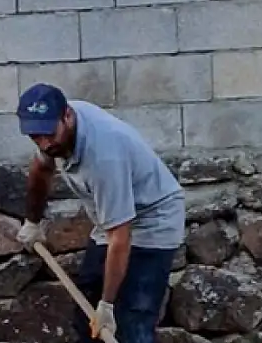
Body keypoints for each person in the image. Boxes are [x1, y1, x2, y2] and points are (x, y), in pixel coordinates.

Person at [13, 83, 184, 343]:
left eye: (48, 134)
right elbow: (40, 169)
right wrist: (32, 222)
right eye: (36, 136)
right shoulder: (54, 132)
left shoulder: (104, 157)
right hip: (113, 221)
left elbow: (120, 237)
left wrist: (108, 305)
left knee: (131, 322)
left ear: (67, 116)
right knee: (87, 313)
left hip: (153, 220)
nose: (44, 143)